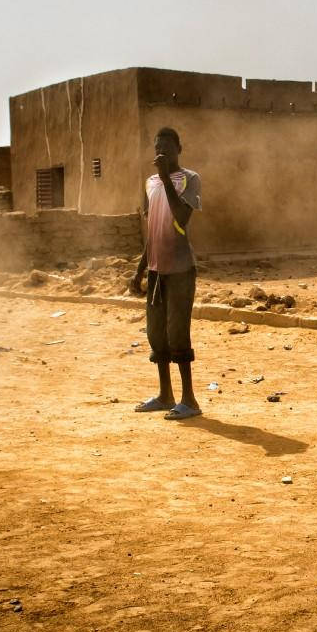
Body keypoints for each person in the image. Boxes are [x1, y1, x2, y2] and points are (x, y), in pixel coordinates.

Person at [130, 127, 202, 420]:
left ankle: (190, 400)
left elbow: (181, 219)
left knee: (177, 334)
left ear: (179, 149)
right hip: (157, 270)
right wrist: (139, 270)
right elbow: (152, 230)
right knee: (156, 333)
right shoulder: (149, 183)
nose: (161, 152)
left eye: (168, 148)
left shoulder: (190, 179)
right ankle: (165, 395)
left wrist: (165, 180)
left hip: (181, 269)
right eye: (157, 147)